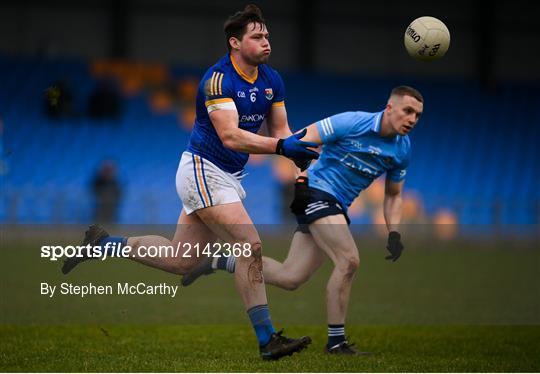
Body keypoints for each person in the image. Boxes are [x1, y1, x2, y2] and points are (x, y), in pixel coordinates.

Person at [62, 4, 317, 360]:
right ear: (234, 42)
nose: (266, 41)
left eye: (267, 35)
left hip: (227, 176)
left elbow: (281, 132)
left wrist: (298, 160)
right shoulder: (218, 79)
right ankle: (267, 339)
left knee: (181, 259)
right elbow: (230, 136)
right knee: (250, 245)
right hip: (203, 170)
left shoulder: (273, 80)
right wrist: (280, 147)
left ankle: (104, 243)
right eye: (257, 36)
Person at [182, 86, 424, 355]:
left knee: (290, 277)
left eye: (417, 115)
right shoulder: (352, 122)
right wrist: (299, 183)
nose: (413, 119)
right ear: (389, 108)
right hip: (315, 193)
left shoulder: (402, 150)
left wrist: (394, 233)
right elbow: (300, 142)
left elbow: (393, 195)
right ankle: (336, 342)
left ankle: (219, 260)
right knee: (349, 259)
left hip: (336, 205)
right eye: (408, 111)